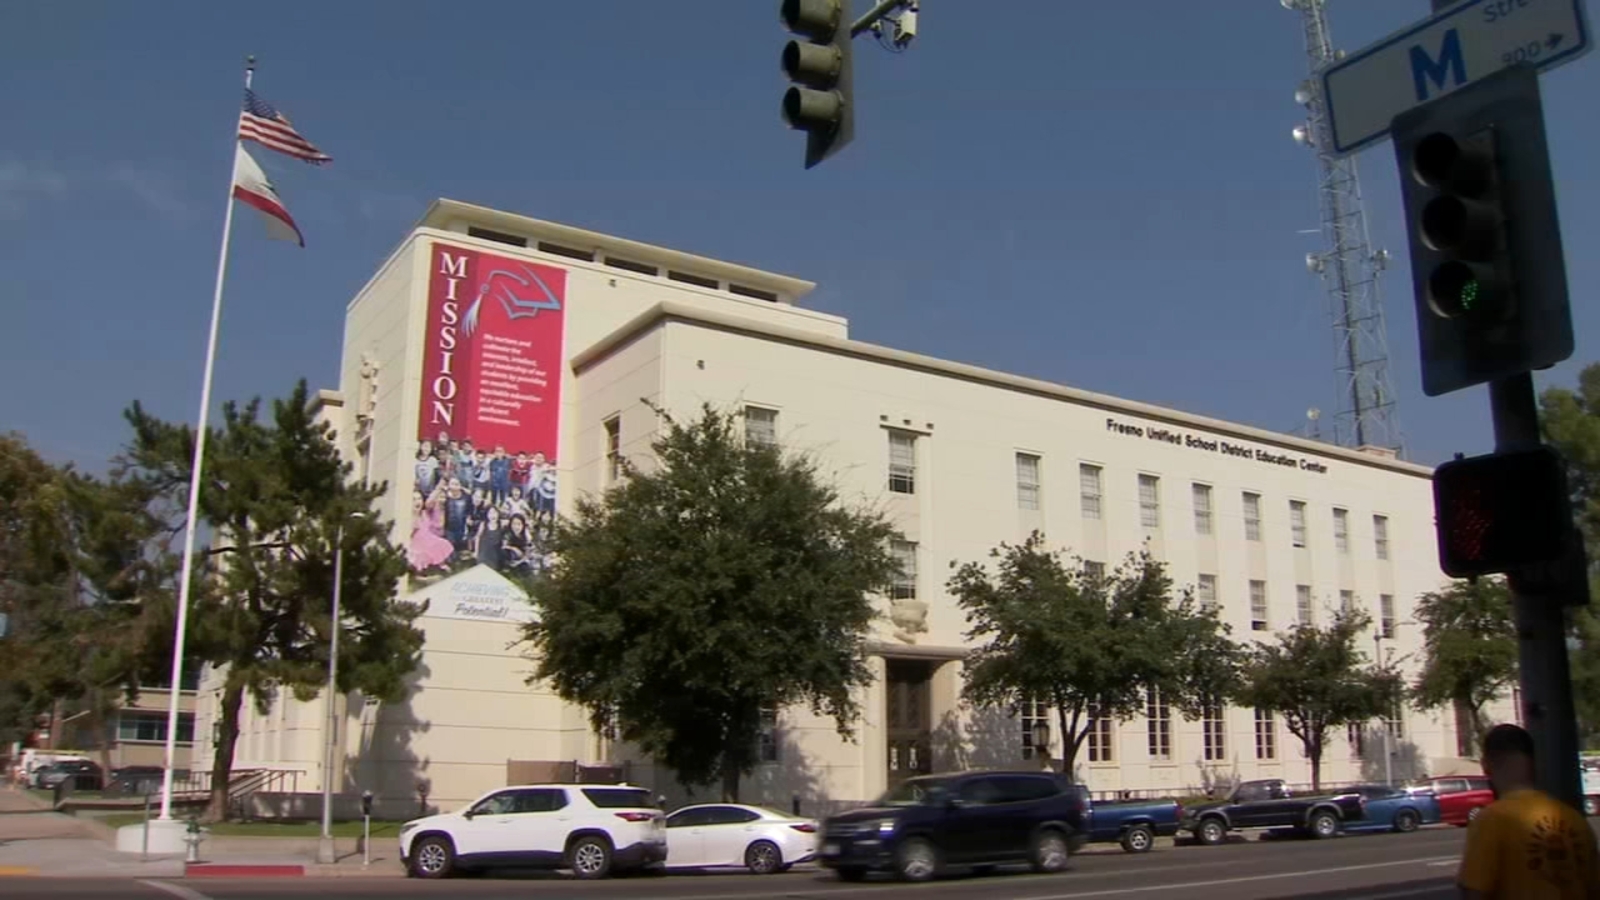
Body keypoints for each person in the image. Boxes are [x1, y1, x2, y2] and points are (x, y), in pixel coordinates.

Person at [1457, 723, 1600, 899]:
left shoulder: (1490, 821)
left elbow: (1475, 893)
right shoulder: (1576, 820)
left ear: (1486, 765)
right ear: (1533, 763)